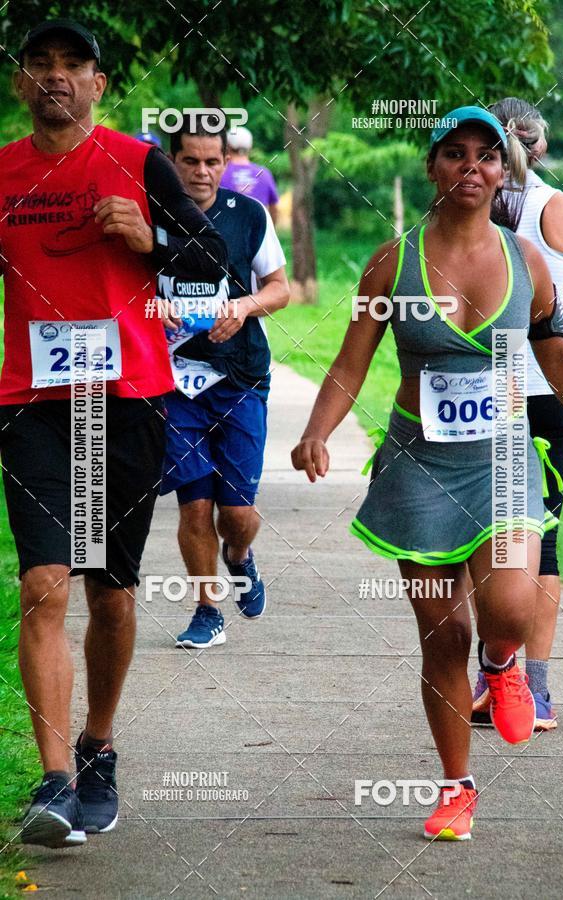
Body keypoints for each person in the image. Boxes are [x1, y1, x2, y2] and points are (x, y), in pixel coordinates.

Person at [291, 106, 563, 841]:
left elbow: (555, 350)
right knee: (440, 638)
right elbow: (348, 364)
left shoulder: (525, 261)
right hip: (418, 468)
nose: (472, 167)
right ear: (432, 167)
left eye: (487, 157)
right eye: (455, 153)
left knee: (510, 610)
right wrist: (315, 432)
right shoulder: (389, 262)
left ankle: (505, 664)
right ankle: (457, 788)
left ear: (503, 173)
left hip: (501, 457)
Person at [0, 19, 227, 848]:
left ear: (99, 83)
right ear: (22, 82)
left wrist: (154, 238)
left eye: (74, 64)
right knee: (44, 585)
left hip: (121, 404)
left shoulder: (139, 162)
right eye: (41, 64)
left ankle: (99, 747)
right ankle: (55, 779)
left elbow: (213, 265)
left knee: (110, 593)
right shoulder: (2, 172)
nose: (56, 76)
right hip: (31, 403)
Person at [471, 98, 563, 731]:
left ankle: (490, 679)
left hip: (480, 392)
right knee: (541, 539)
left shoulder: (470, 208)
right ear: (541, 147)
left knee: (484, 538)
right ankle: (536, 692)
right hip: (553, 391)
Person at [157, 115, 289, 649]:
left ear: (227, 162)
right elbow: (125, 292)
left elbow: (280, 288)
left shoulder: (249, 215)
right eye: (190, 161)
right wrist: (153, 308)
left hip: (240, 377)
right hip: (174, 382)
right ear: (172, 163)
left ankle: (239, 556)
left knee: (236, 513)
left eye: (214, 161)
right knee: (194, 504)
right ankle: (207, 609)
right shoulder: (153, 219)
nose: (203, 173)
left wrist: (244, 306)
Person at [220, 125, 280, 224]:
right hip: (257, 236)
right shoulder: (264, 174)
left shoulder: (219, 173)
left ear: (227, 146)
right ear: (250, 147)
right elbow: (274, 209)